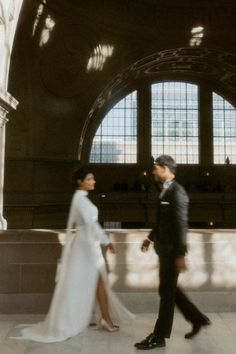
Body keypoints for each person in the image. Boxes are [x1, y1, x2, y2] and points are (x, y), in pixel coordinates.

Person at [12, 166, 133, 343]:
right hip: (86, 245)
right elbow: (91, 225)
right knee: (95, 281)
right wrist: (106, 241)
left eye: (93, 178)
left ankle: (106, 319)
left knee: (98, 281)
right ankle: (100, 320)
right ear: (80, 182)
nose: (94, 181)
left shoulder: (81, 198)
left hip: (86, 243)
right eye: (90, 179)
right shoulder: (80, 200)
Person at [135, 155, 211, 350]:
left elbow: (180, 225)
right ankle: (198, 319)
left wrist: (180, 254)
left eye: (156, 168)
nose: (153, 171)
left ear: (166, 168)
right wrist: (150, 238)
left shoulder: (177, 192)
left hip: (171, 252)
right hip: (164, 249)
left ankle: (159, 336)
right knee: (168, 290)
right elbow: (163, 222)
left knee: (167, 293)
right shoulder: (166, 190)